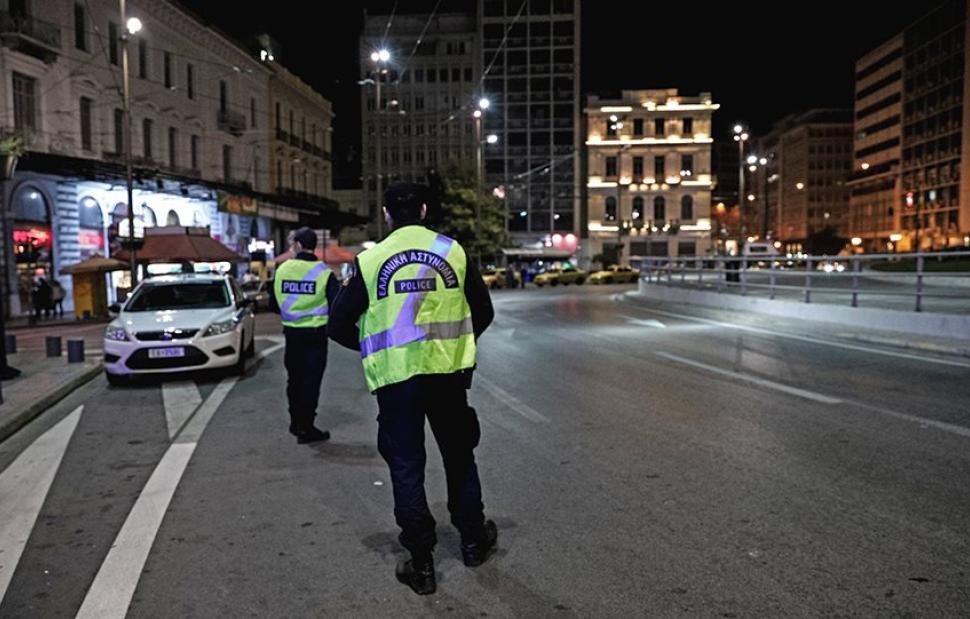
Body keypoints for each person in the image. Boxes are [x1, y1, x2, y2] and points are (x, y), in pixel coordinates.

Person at [329, 182, 497, 596]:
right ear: (423, 210)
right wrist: (456, 345)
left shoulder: (371, 260)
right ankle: (473, 542)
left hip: (397, 382)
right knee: (459, 456)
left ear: (386, 214)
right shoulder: (452, 251)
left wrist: (373, 348)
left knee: (406, 467)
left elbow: (337, 324)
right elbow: (483, 310)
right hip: (447, 376)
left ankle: (422, 564)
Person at [273, 227, 339, 444]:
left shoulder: (282, 269)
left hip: (292, 334)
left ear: (298, 245)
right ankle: (307, 427)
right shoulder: (324, 272)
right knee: (311, 381)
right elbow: (336, 305)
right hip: (315, 336)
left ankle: (295, 423)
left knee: (294, 380)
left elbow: (273, 303)